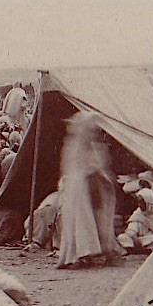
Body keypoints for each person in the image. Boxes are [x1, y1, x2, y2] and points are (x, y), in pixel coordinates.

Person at [57, 112, 121, 269]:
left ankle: (94, 252)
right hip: (78, 190)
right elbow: (73, 169)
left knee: (94, 221)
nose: (92, 133)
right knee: (79, 221)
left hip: (91, 187)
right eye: (90, 130)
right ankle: (76, 256)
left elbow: (100, 167)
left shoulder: (95, 147)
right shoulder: (73, 146)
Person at [117, 187, 153, 254]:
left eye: (142, 203)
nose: (140, 205)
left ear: (148, 202)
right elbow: (131, 229)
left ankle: (140, 250)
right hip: (137, 239)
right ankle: (136, 250)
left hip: (150, 238)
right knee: (122, 237)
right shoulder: (138, 213)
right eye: (139, 203)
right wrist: (134, 237)